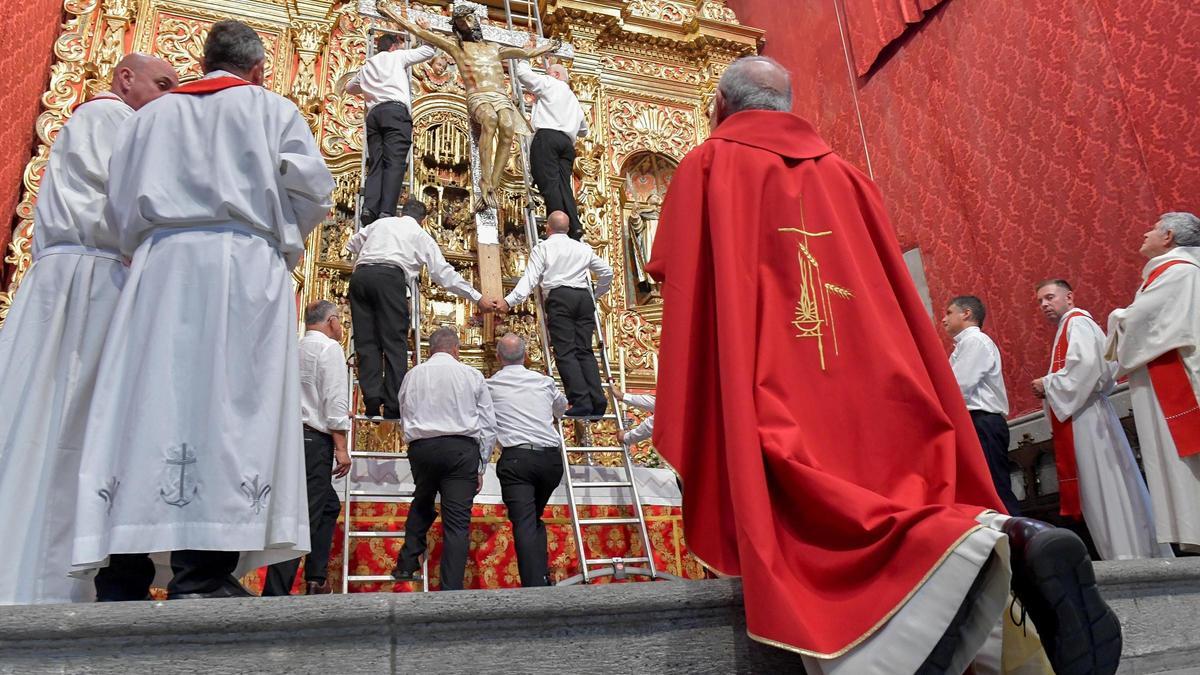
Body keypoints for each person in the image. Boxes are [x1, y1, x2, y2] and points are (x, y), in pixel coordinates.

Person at [646, 55, 1120, 674]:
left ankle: (911, 642)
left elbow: (682, 284)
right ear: (788, 106)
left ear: (718, 107)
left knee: (812, 521)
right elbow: (894, 292)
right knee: (909, 490)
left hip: (773, 378)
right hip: (879, 383)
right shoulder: (847, 175)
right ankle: (1011, 542)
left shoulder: (707, 167)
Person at [72, 20, 334, 600]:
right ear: (258, 69)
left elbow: (116, 205)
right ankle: (201, 572)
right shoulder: (270, 110)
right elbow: (315, 192)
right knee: (229, 411)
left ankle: (124, 570)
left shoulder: (148, 118)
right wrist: (275, 234)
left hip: (160, 269)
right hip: (242, 269)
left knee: (146, 405)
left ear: (203, 59)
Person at [0, 54, 178, 605]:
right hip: (88, 285)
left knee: (64, 423)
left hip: (88, 280)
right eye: (163, 84)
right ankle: (47, 578)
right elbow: (120, 209)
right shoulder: (108, 119)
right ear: (126, 78)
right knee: (72, 420)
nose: (169, 96)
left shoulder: (111, 121)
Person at [1031, 279, 1169, 560]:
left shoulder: (1077, 323)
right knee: (1104, 491)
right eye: (1040, 301)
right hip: (1084, 416)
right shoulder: (1068, 327)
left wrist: (1047, 384)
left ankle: (1127, 555)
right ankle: (1126, 552)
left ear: (1069, 297)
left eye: (1049, 297)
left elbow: (1088, 369)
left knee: (1107, 491)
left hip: (1089, 419)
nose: (1044, 305)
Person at [381, 3, 560, 209]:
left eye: (469, 19)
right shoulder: (457, 47)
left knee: (508, 127)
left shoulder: (495, 48)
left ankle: (493, 182)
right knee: (491, 120)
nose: (467, 24)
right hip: (478, 95)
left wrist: (548, 47)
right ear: (457, 26)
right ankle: (484, 180)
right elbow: (419, 31)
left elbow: (526, 54)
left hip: (500, 95)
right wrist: (390, 12)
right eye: (461, 22)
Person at [345, 198, 491, 419]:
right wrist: (477, 297)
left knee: (366, 340)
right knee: (394, 342)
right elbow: (443, 274)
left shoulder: (380, 224)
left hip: (361, 277)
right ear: (423, 220)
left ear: (402, 212)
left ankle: (372, 401)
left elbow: (352, 244)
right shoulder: (420, 235)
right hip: (390, 278)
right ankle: (393, 406)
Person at [1106, 211, 1200, 553]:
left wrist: (1117, 316)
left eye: (1154, 228)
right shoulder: (1170, 272)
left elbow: (1140, 320)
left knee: (1178, 453)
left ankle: (1195, 531)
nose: (1145, 233)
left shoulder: (1177, 272)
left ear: (1170, 236)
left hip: (1171, 375)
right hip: (1162, 371)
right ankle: (1190, 534)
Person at [390, 327, 497, 590]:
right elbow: (488, 424)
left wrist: (414, 444)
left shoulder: (413, 375)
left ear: (430, 350)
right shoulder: (471, 374)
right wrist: (481, 464)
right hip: (461, 450)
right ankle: (451, 590)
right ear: (456, 350)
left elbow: (404, 413)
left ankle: (407, 560)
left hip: (423, 448)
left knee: (423, 498)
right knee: (457, 522)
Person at [262, 301, 353, 596]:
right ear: (332, 321)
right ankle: (275, 592)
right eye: (340, 322)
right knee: (305, 516)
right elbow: (335, 400)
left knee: (327, 507)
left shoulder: (294, 347)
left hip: (290, 438)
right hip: (315, 440)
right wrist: (341, 447)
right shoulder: (329, 349)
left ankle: (316, 577)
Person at [497, 210, 613, 417]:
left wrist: (509, 301)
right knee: (584, 350)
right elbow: (607, 272)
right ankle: (598, 400)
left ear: (547, 228)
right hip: (583, 298)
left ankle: (581, 401)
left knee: (566, 351)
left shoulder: (544, 248)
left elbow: (529, 280)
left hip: (561, 297)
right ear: (568, 229)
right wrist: (596, 294)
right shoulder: (582, 248)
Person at [486, 333, 566, 587]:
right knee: (532, 519)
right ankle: (541, 575)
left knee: (524, 521)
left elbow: (485, 425)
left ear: (498, 357)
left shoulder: (489, 386)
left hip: (518, 460)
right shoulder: (544, 381)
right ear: (527, 356)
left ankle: (534, 588)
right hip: (550, 460)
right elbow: (562, 408)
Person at [343, 19, 435, 226]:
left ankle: (369, 207)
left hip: (375, 115)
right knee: (394, 163)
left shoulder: (367, 66)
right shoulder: (397, 57)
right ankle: (386, 211)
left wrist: (368, 85)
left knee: (376, 163)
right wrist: (425, 31)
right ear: (394, 46)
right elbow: (428, 52)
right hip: (395, 111)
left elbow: (350, 88)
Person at [944, 295, 1022, 516]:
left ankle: (1017, 539)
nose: (943, 319)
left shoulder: (975, 342)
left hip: (983, 421)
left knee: (996, 488)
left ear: (966, 313)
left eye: (949, 312)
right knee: (985, 489)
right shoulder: (963, 345)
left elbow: (959, 386)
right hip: (974, 422)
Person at [514, 57, 588, 240]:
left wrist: (525, 56)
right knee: (564, 186)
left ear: (556, 75)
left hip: (547, 137)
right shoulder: (574, 100)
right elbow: (584, 131)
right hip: (567, 144)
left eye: (548, 73)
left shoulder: (551, 84)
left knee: (548, 183)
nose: (546, 75)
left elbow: (523, 74)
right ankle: (574, 225)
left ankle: (558, 228)